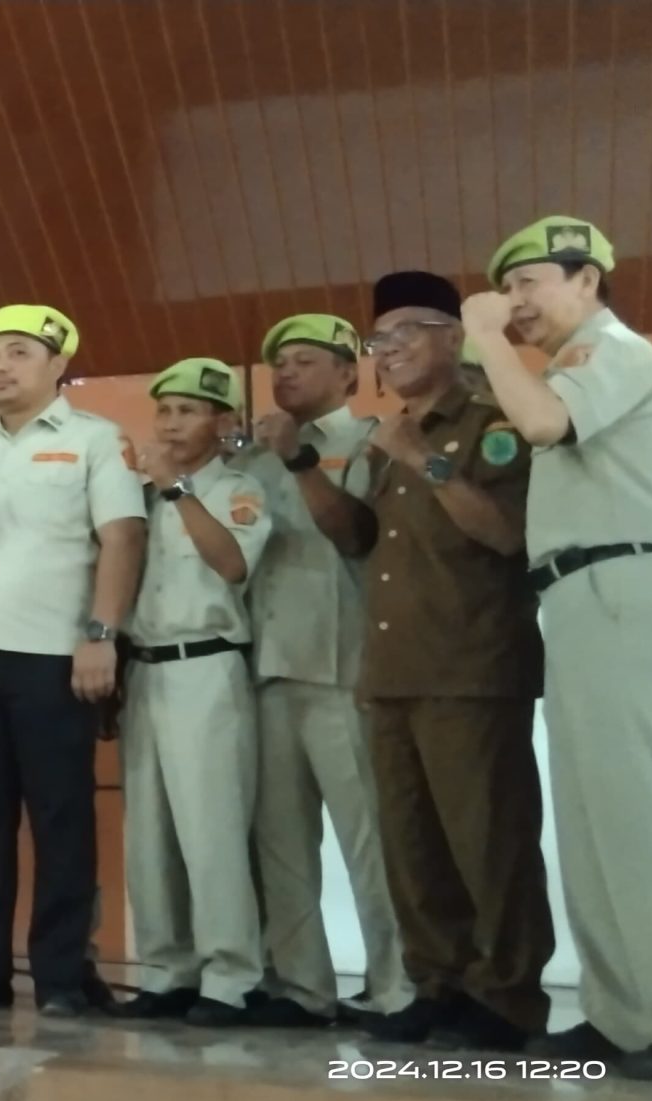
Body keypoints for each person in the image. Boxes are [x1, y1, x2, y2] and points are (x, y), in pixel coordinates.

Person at [468, 217, 652, 1081]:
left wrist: (486, 336)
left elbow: (542, 425)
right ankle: (620, 1012)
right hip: (577, 594)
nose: (514, 301)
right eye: (505, 288)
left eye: (529, 281)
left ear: (587, 280)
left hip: (629, 585)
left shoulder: (613, 350)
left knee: (647, 808)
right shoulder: (567, 364)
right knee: (593, 816)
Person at [0, 305, 145, 1016]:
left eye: (19, 353)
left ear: (57, 365)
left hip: (53, 655)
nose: (0, 367)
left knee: (61, 819)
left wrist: (102, 633)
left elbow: (123, 537)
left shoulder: (94, 439)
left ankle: (63, 976)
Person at [346, 270, 552, 1053]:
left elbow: (506, 532)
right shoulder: (388, 436)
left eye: (406, 332)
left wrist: (424, 458)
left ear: (454, 336)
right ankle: (438, 984)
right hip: (393, 669)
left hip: (471, 667)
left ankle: (507, 997)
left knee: (488, 840)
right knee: (412, 845)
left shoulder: (492, 420)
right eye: (379, 338)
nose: (388, 349)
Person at [239, 314, 411, 1027]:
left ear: (348, 373)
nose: (286, 373)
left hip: (343, 666)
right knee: (281, 842)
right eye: (279, 362)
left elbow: (354, 535)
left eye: (306, 360)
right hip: (269, 665)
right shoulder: (253, 462)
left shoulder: (372, 442)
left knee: (369, 837)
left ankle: (397, 987)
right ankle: (303, 988)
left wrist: (297, 459)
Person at [105, 359, 271, 1026]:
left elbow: (233, 562)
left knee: (211, 829)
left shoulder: (237, 488)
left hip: (207, 665)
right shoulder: (138, 496)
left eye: (189, 411)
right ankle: (165, 971)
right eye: (165, 410)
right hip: (144, 669)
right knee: (149, 837)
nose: (171, 424)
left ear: (223, 422)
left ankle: (230, 977)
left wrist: (176, 490)